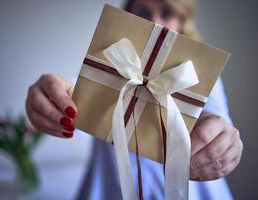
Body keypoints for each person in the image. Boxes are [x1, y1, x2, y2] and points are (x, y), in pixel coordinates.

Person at [25, 0, 243, 199]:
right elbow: (73, 91)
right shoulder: (112, 62)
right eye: (143, 12)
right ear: (128, 15)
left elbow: (217, 118)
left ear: (182, 20)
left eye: (167, 13)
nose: (155, 22)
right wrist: (50, 95)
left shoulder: (196, 75)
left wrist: (224, 141)